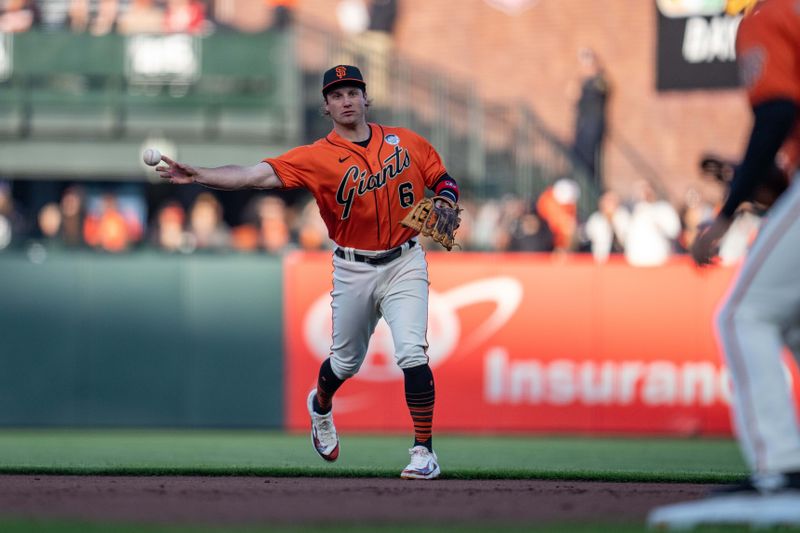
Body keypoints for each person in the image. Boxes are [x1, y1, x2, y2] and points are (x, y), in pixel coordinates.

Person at [156, 65, 460, 480]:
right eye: (336, 95)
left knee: (412, 353)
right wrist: (200, 175)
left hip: (405, 260)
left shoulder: (406, 142)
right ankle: (320, 406)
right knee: (346, 362)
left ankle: (423, 451)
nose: (346, 100)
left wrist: (444, 199)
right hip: (353, 267)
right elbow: (252, 175)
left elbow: (443, 180)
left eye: (352, 91)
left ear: (366, 98)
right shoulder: (315, 156)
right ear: (326, 105)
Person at [648, 0, 800, 528]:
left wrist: (728, 211)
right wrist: (762, 183)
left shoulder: (767, 13)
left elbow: (778, 111)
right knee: (795, 325)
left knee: (743, 315)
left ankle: (780, 470)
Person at [570, 47, 610, 192]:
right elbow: (572, 95)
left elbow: (604, 88)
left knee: (592, 160)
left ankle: (592, 188)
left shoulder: (600, 80)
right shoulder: (580, 80)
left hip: (594, 124)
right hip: (582, 124)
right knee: (579, 158)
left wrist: (594, 71)